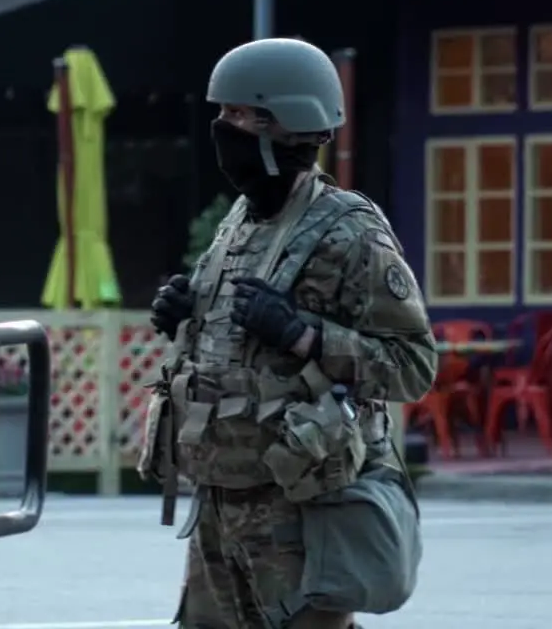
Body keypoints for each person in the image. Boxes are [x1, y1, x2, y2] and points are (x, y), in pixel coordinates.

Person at [138, 38, 438, 629]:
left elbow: (413, 365)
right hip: (219, 501)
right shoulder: (241, 220)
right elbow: (230, 341)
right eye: (221, 114)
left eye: (238, 115)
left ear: (285, 124)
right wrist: (185, 312)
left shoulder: (350, 233)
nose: (222, 128)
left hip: (297, 508)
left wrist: (307, 337)